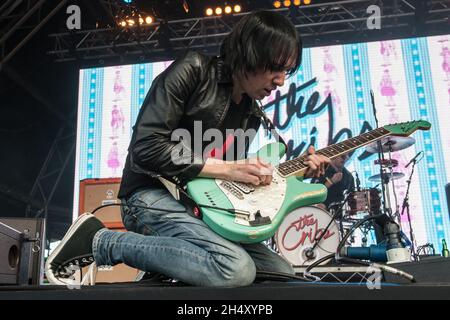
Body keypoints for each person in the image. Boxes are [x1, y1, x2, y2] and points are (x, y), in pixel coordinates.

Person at [46, 11, 330, 288]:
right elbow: (146, 146)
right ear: (252, 53)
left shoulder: (251, 114)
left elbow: (224, 187)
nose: (281, 81)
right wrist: (231, 168)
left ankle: (167, 265)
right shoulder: (193, 69)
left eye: (286, 71)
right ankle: (100, 241)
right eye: (276, 68)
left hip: (200, 208)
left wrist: (294, 174)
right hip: (149, 194)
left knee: (279, 272)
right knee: (235, 269)